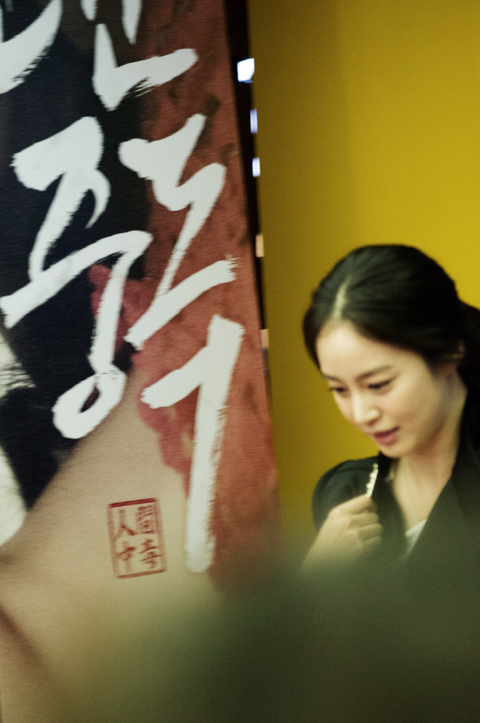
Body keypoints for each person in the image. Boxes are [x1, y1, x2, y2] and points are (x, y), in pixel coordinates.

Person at [302, 244, 480, 577]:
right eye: (339, 389)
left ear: (448, 353)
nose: (361, 414)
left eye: (378, 384)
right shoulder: (345, 492)